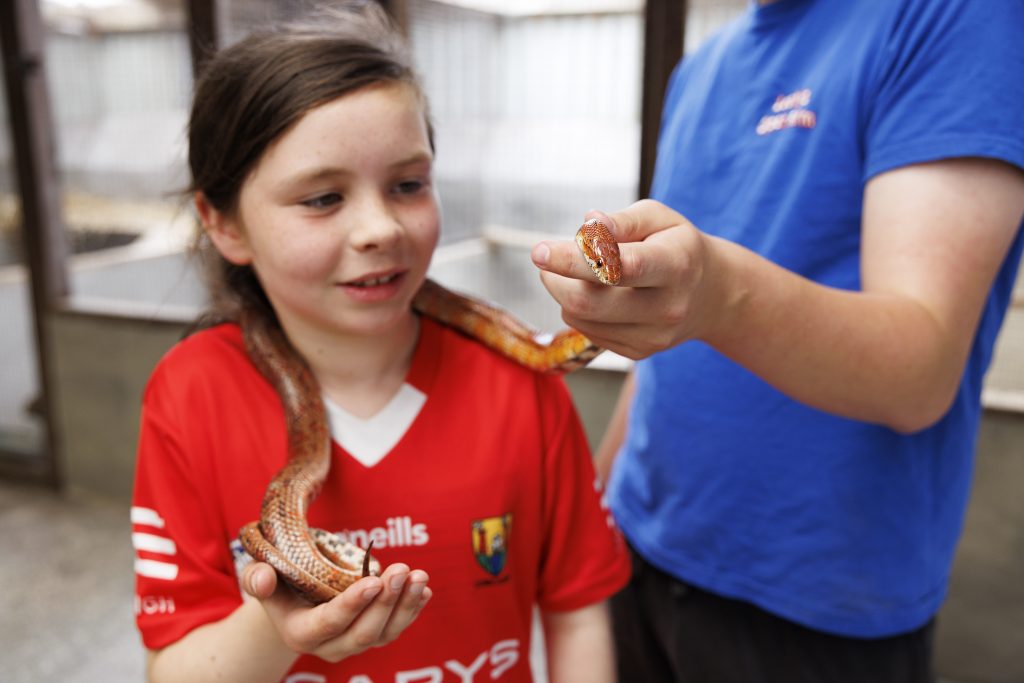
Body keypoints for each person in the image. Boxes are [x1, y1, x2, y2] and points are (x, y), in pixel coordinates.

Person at [130, 4, 629, 682]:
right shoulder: (190, 393)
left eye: (407, 185)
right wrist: (277, 625)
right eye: (322, 198)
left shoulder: (522, 383)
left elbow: (577, 612)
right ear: (223, 224)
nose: (380, 228)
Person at [531, 0, 1024, 680]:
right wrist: (596, 505)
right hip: (639, 549)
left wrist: (718, 292)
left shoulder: (955, 17)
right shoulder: (699, 70)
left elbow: (919, 372)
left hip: (818, 606)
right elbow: (666, 343)